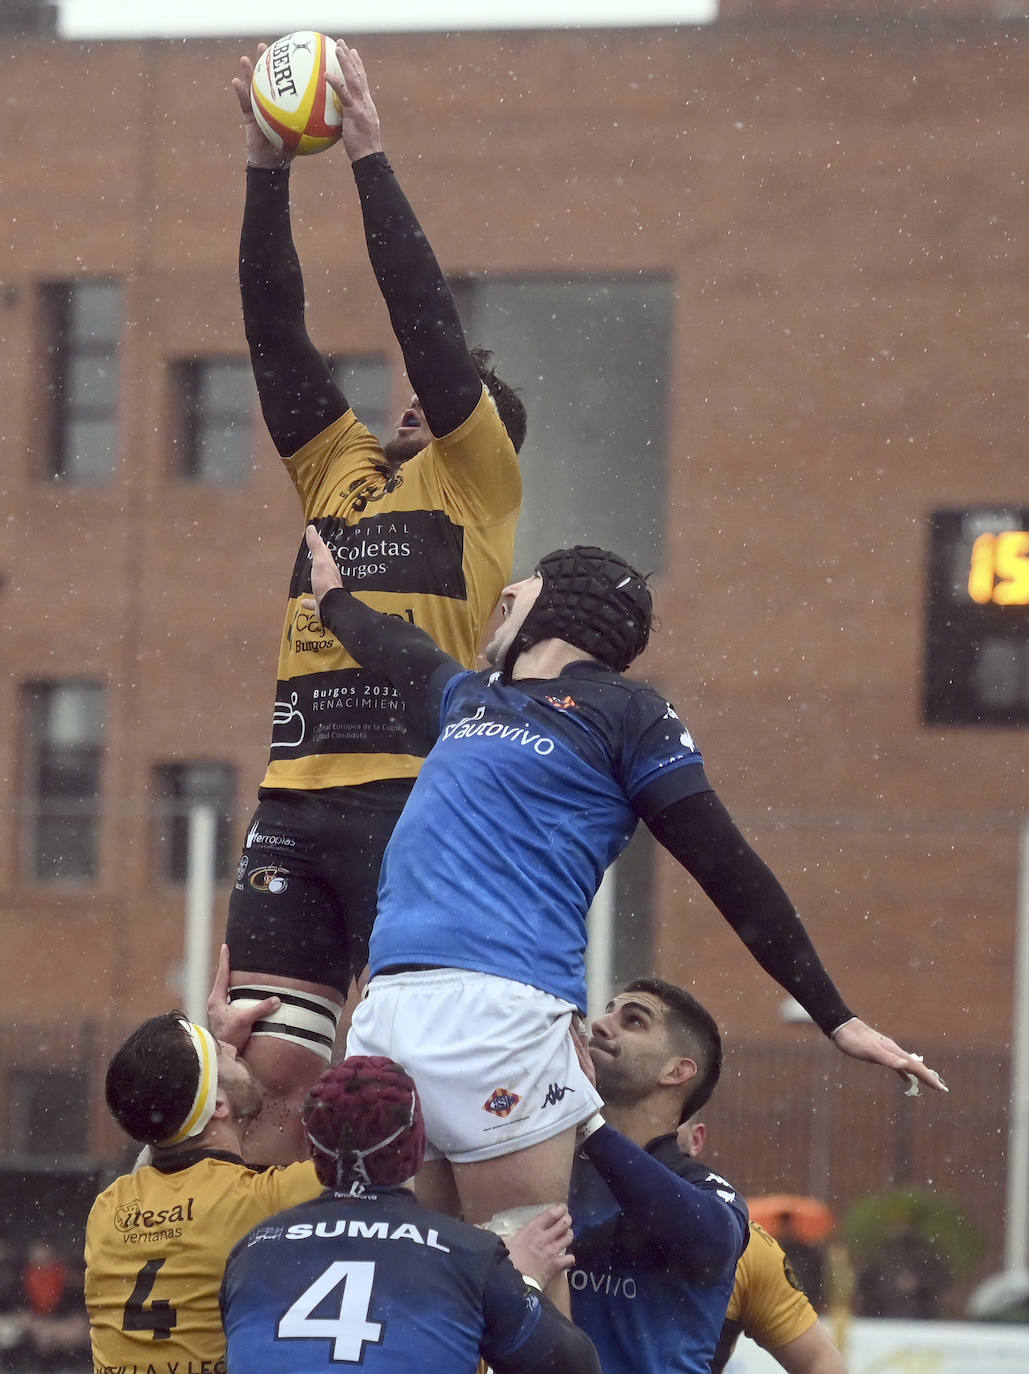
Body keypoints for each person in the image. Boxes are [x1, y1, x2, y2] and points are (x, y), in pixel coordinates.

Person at [302, 530, 946, 1250]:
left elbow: (728, 868)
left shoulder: (629, 714)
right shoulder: (467, 699)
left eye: (522, 586)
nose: (503, 595)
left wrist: (835, 1017)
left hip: (502, 1008)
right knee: (404, 1285)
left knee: (521, 1292)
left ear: (552, 608)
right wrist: (329, 596)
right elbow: (391, 646)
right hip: (390, 1010)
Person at [225, 38, 527, 1162]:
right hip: (293, 809)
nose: (413, 399)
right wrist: (266, 171)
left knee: (407, 1088)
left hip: (412, 809)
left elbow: (428, 328)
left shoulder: (479, 478)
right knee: (269, 1074)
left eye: (440, 402)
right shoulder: (338, 469)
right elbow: (274, 331)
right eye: (407, 400)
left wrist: (368, 156)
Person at [219, 1056, 602, 1374]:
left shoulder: (253, 1249)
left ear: (314, 1153)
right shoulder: (470, 1254)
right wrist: (521, 1282)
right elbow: (575, 1365)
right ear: (417, 1145)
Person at [84, 989, 322, 1374]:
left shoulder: (108, 1209)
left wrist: (212, 1062)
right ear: (220, 1106)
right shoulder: (266, 1200)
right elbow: (387, 1147)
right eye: (221, 1052)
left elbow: (156, 1138)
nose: (233, 1051)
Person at [567, 978, 750, 1374]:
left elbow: (709, 1242)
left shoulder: (707, 1190)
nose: (600, 1024)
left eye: (633, 1021)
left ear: (677, 1070)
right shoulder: (545, 1167)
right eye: (608, 1010)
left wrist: (588, 1122)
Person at [676, 1120, 848, 1374]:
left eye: (675, 1119)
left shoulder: (747, 1246)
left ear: (696, 1138)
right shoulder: (596, 1213)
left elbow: (820, 1361)